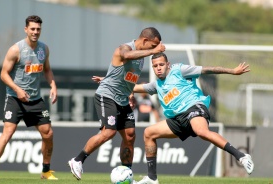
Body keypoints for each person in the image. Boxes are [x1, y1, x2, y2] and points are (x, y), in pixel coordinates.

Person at [133, 52, 254, 184]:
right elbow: (134, 88)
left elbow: (208, 69)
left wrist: (232, 71)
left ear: (168, 64)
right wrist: (110, 84)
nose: (158, 68)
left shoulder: (179, 70)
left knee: (201, 132)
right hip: (178, 119)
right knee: (149, 133)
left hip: (194, 107)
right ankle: (152, 178)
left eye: (161, 64)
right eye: (155, 66)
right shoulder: (156, 85)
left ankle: (241, 156)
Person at [68, 27, 165, 180]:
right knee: (109, 132)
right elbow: (126, 55)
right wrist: (153, 51)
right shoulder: (125, 48)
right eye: (153, 46)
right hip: (107, 96)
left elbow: (128, 77)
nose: (154, 50)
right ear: (145, 41)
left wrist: (131, 93)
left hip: (122, 99)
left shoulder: (141, 57)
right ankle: (78, 160)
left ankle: (126, 174)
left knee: (130, 135)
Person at [0, 15, 58, 180]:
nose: (35, 32)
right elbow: (3, 74)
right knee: (8, 132)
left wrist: (53, 85)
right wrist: (17, 89)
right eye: (33, 29)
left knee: (48, 133)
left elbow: (47, 69)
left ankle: (46, 171)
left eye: (38, 29)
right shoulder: (16, 49)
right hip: (15, 98)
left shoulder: (44, 49)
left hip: (35, 99)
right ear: (26, 29)